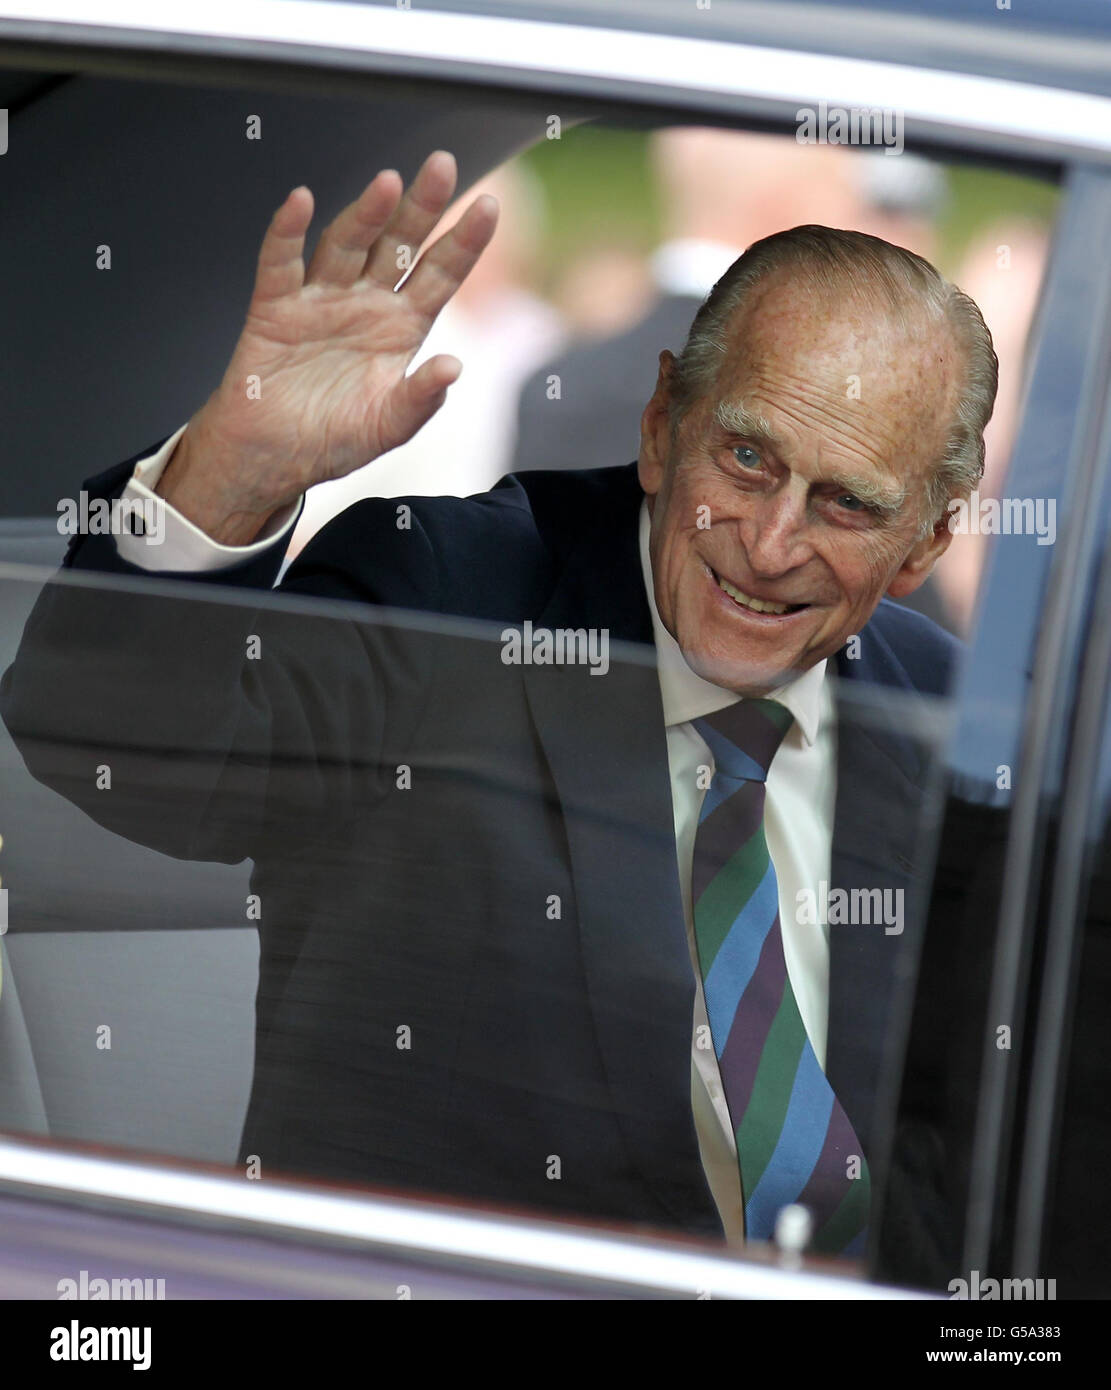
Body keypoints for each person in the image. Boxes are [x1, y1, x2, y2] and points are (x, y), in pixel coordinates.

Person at [0, 150, 997, 1260]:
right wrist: (233, 476)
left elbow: (974, 1134)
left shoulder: (939, 707)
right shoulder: (456, 598)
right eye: (748, 458)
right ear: (662, 421)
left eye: (846, 503)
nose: (769, 546)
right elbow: (121, 744)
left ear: (928, 543)